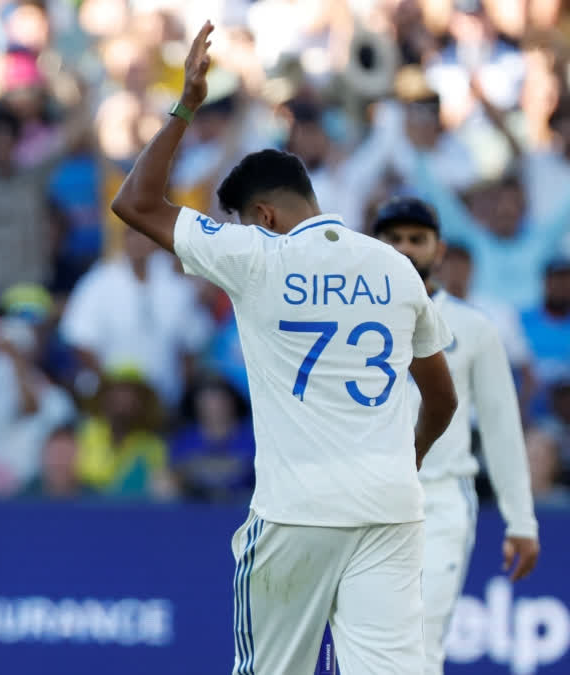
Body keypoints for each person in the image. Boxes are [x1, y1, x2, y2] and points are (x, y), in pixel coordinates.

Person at [110, 22, 459, 674]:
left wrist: (186, 103)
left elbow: (135, 203)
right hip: (390, 506)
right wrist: (405, 457)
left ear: (263, 216)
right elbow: (441, 395)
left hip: (296, 512)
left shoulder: (256, 256)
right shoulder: (394, 269)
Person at [372, 196, 539, 674]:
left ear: (439, 250)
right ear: (374, 246)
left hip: (440, 500)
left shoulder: (472, 327)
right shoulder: (350, 323)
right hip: (365, 499)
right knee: (366, 646)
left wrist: (521, 520)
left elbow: (502, 425)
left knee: (419, 641)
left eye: (416, 239)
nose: (405, 249)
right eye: (394, 239)